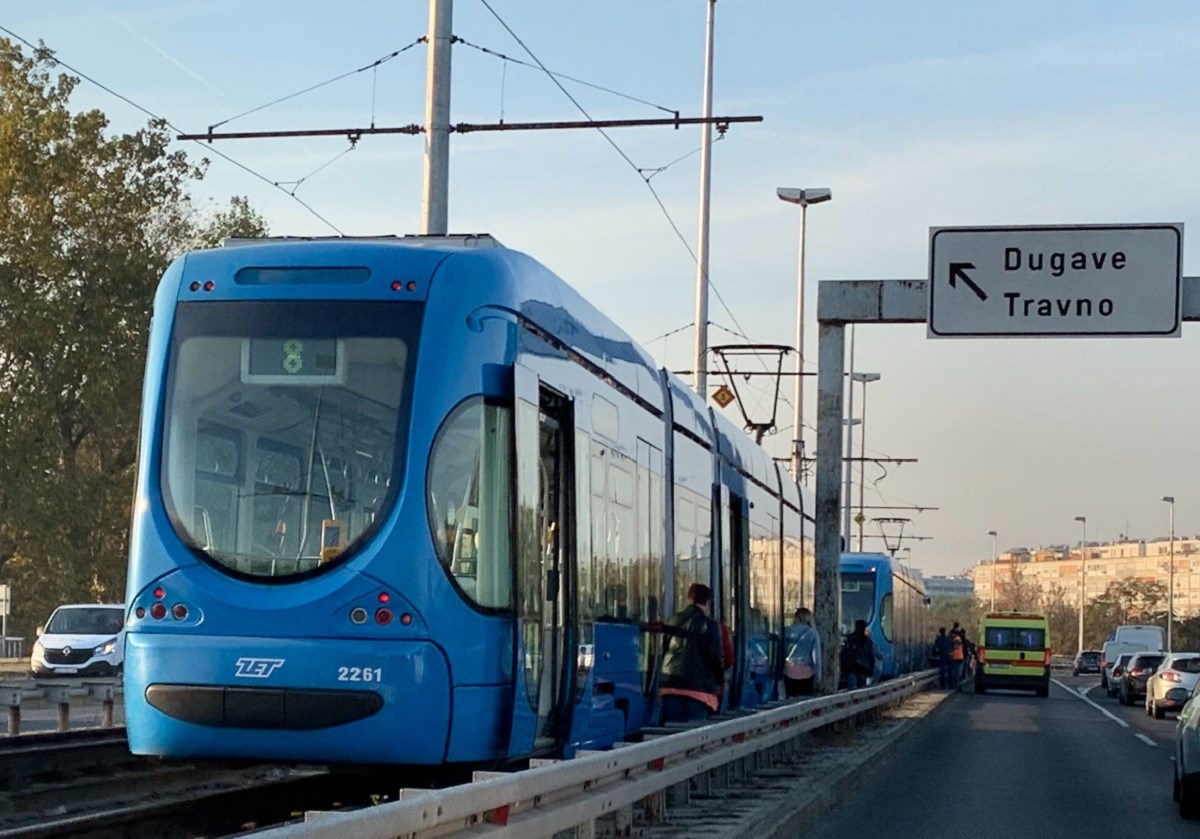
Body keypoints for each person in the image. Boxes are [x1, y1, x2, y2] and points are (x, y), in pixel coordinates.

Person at [658, 583, 724, 723]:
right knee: (694, 737)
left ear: (688, 600)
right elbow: (714, 657)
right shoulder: (710, 625)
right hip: (698, 692)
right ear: (707, 603)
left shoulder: (671, 620)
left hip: (669, 687)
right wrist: (720, 681)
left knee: (672, 735)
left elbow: (662, 650)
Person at [784, 607, 821, 697]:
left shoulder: (787, 630)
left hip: (789, 669)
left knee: (790, 699)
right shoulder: (812, 632)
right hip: (806, 671)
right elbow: (816, 656)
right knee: (805, 700)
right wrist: (818, 674)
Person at [840, 619, 876, 690]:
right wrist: (871, 671)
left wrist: (843, 667)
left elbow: (843, 653)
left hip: (851, 668)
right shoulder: (868, 641)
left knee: (852, 690)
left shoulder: (849, 639)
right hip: (863, 669)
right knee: (862, 690)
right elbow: (872, 657)